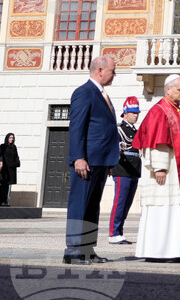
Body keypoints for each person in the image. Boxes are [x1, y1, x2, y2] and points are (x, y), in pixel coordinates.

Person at [132, 73, 180, 262]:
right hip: (165, 173)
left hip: (178, 173)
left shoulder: (178, 111)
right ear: (168, 89)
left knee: (175, 210)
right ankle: (158, 251)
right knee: (162, 210)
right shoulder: (159, 111)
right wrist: (159, 167)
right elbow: (156, 142)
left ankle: (174, 250)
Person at [64, 56, 121, 265]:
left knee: (91, 206)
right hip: (86, 161)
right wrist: (79, 157)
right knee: (80, 204)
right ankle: (72, 250)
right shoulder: (84, 92)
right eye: (113, 71)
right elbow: (77, 126)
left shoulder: (101, 93)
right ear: (100, 70)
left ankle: (87, 248)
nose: (115, 75)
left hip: (100, 161)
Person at [108, 97, 142, 243]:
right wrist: (109, 166)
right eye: (133, 112)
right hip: (122, 168)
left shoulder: (136, 131)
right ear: (125, 113)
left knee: (127, 204)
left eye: (137, 112)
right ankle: (113, 233)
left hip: (134, 168)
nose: (136, 115)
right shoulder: (119, 129)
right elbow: (112, 148)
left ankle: (119, 231)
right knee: (120, 202)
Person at [0, 133, 19, 206]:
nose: (11, 139)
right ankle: (1, 200)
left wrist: (17, 163)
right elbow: (0, 156)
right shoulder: (3, 146)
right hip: (4, 168)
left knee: (7, 185)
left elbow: (16, 156)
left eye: (12, 138)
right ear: (7, 138)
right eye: (10, 137)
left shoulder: (14, 147)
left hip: (11, 168)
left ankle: (5, 200)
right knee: (3, 184)